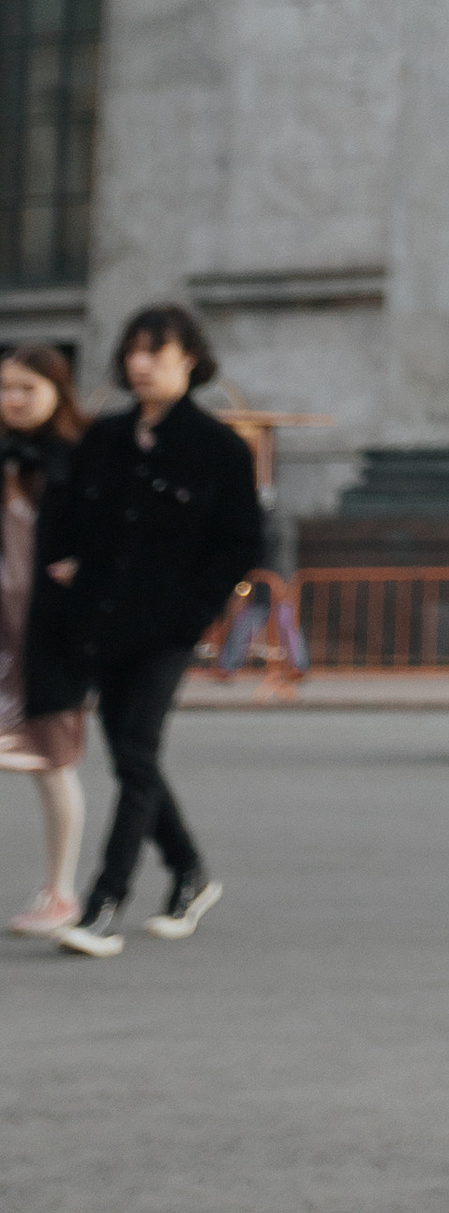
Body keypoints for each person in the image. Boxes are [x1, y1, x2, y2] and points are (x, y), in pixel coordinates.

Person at [54, 301, 263, 960]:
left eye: (156, 352)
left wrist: (194, 611)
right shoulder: (104, 438)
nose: (139, 364)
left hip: (168, 629)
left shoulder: (219, 448)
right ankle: (191, 873)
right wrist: (68, 569)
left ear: (190, 362)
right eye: (133, 352)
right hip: (106, 622)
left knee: (137, 751)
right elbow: (69, 512)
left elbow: (239, 544)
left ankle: (103, 904)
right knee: (129, 755)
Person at [0, 343, 91, 939]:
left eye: (27, 388)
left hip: (49, 635)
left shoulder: (78, 462)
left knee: (52, 763)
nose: (12, 399)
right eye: (4, 387)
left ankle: (60, 891)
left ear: (57, 392)